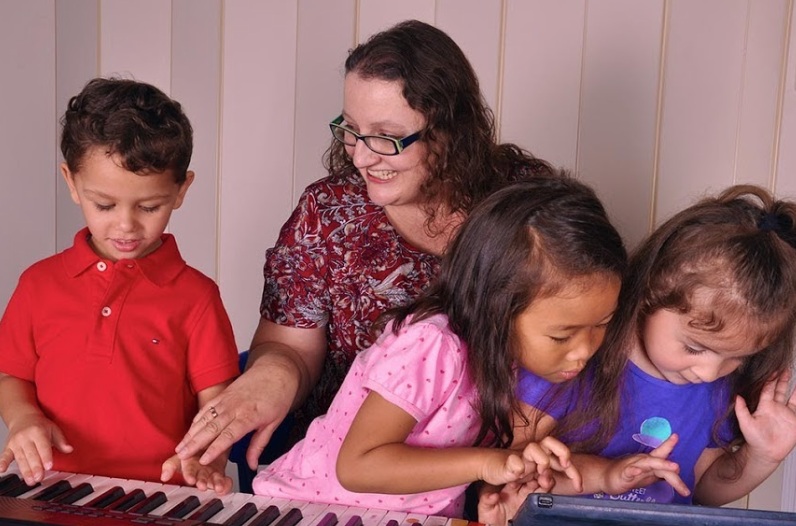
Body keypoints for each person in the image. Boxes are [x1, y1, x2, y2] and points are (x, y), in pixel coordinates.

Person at [176, 19, 555, 471]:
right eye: (351, 129)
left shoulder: (527, 203)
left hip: (489, 464)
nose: (360, 155)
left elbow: (570, 331)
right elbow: (290, 346)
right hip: (344, 466)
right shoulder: (328, 211)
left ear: (449, 132)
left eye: (386, 137)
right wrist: (274, 374)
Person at [248, 174, 627, 517]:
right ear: (496, 307)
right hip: (308, 511)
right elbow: (358, 465)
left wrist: (515, 469)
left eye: (602, 325)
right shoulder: (432, 345)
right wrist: (486, 463)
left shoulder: (514, 359)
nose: (585, 351)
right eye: (562, 336)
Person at [484, 184, 796, 521]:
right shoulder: (569, 361)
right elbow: (512, 471)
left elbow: (702, 490)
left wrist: (762, 457)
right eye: (694, 347)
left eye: (737, 357)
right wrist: (604, 473)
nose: (709, 372)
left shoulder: (716, 388)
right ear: (651, 291)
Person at [0, 78, 240, 493]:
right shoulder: (38, 284)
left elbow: (217, 406)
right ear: (71, 182)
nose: (126, 225)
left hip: (162, 498)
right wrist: (24, 418)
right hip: (52, 493)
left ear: (181, 190)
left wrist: (208, 459)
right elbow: (11, 376)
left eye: (149, 206)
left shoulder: (197, 297)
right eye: (105, 205)